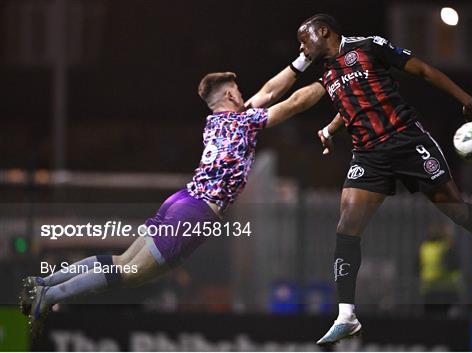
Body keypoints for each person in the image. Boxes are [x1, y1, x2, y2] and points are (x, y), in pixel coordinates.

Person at [251, 14, 472, 345]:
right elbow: (346, 103)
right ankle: (346, 315)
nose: (302, 47)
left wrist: (465, 98)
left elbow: (421, 69)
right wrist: (331, 129)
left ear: (323, 32)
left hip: (406, 140)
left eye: (304, 39)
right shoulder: (328, 74)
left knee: (456, 210)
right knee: (346, 226)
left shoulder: (369, 47)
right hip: (368, 155)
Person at [20, 53, 323, 336]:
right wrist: (329, 83)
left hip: (180, 202)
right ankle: (49, 296)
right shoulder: (243, 122)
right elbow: (294, 102)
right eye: (239, 91)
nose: (244, 95)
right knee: (129, 274)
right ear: (230, 95)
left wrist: (304, 59)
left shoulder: (218, 121)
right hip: (196, 213)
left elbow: (270, 91)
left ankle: (43, 282)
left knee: (121, 260)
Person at [419, 223, 462, 315]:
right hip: (430, 287)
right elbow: (419, 265)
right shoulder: (424, 247)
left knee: (443, 313)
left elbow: (453, 264)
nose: (433, 232)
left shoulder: (445, 245)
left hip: (444, 288)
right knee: (430, 313)